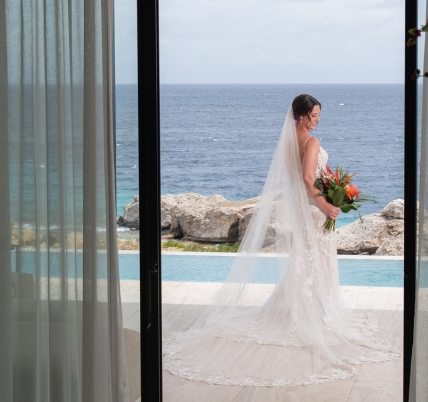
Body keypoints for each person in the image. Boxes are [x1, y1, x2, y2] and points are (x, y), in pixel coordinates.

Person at [163, 94, 399, 386]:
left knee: (308, 261)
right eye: (314, 115)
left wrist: (332, 192)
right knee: (318, 262)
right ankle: (316, 315)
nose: (318, 119)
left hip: (303, 211)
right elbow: (308, 178)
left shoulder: (288, 142)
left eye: (318, 115)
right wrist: (327, 205)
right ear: (301, 116)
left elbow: (302, 177)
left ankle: (307, 311)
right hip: (314, 211)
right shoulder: (311, 142)